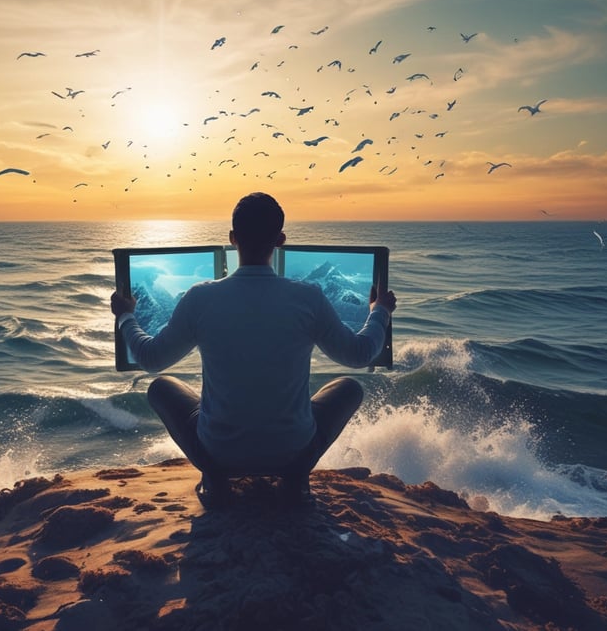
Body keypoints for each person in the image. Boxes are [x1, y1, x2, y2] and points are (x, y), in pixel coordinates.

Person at [110, 192, 396, 506]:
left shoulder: (199, 298)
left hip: (218, 453)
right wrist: (379, 310)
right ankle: (295, 478)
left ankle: (216, 478)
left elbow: (151, 358)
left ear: (232, 238)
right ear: (281, 240)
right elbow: (359, 354)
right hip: (293, 452)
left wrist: (125, 315)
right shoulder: (308, 298)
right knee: (349, 388)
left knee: (160, 387)